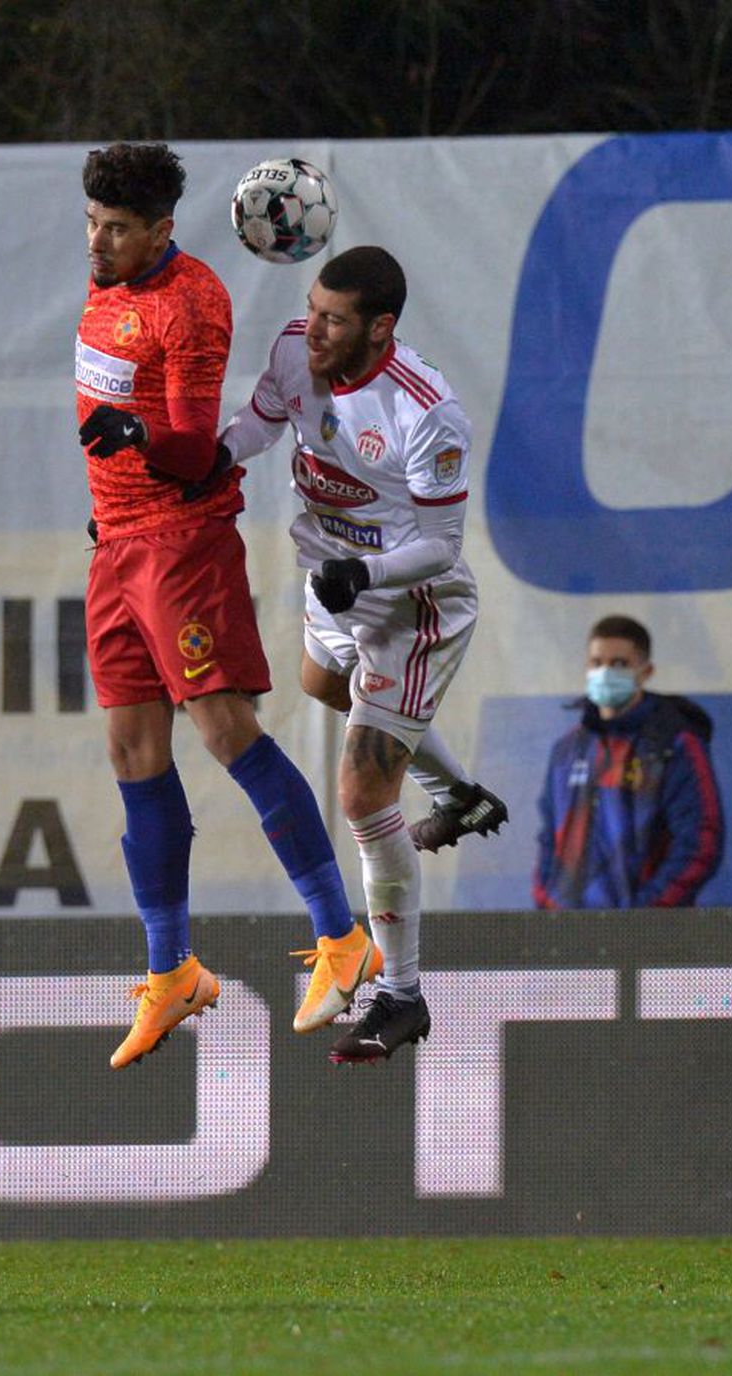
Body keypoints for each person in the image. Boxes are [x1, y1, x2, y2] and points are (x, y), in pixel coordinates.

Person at [75, 143, 382, 1071]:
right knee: (131, 751)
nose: (100, 241)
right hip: (115, 544)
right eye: (92, 223)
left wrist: (137, 436)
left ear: (162, 230)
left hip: (179, 539)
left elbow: (192, 451)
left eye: (118, 229)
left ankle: (343, 937)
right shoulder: (105, 284)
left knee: (223, 729)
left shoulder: (192, 304)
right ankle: (173, 973)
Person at [217, 244, 503, 1065]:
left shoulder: (427, 413)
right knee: (319, 684)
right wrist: (217, 457)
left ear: (381, 327)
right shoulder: (291, 351)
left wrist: (366, 572)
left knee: (360, 791)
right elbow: (262, 422)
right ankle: (462, 795)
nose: (314, 327)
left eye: (335, 318)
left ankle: (402, 995)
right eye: (312, 306)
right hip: (334, 579)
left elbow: (443, 548)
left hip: (409, 606)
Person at [534, 614, 724, 908]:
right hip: (568, 938)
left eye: (620, 664)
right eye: (597, 663)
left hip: (649, 941)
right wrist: (549, 904)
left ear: (645, 672)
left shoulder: (673, 744)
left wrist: (643, 917)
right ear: (587, 667)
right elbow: (549, 840)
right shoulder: (567, 750)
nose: (605, 672)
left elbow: (701, 843)